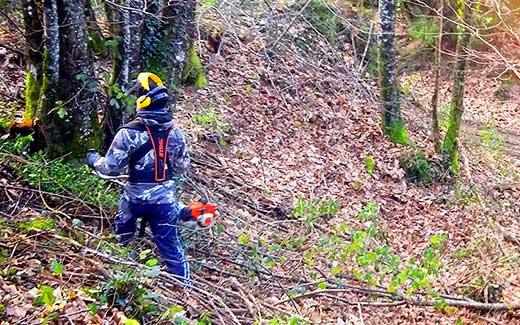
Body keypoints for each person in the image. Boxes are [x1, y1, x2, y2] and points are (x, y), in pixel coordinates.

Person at [87, 72, 192, 285]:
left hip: (134, 200)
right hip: (165, 203)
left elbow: (109, 169)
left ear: (142, 102)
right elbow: (182, 167)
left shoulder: (128, 133)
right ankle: (186, 291)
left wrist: (93, 160)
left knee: (121, 241)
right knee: (172, 249)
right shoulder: (177, 134)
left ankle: (120, 281)